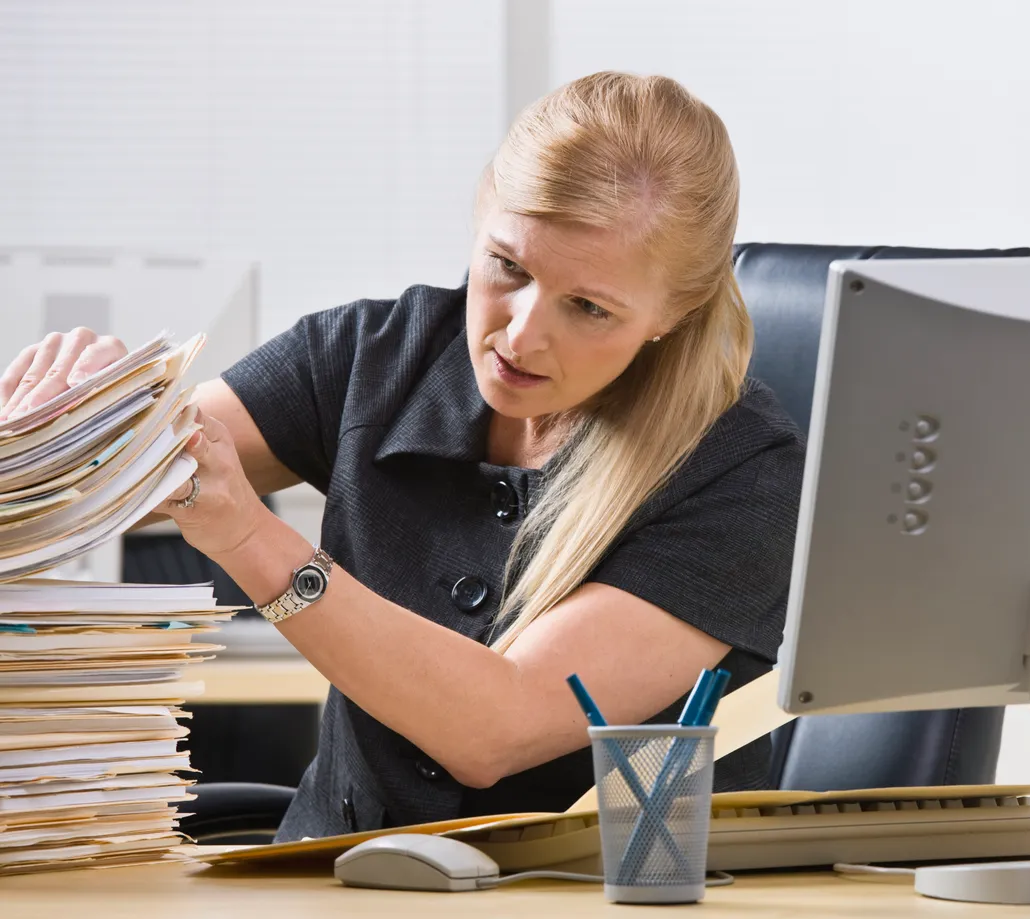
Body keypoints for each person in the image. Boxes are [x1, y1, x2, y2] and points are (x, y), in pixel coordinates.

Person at [0, 72, 804, 841]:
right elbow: (119, 483)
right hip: (335, 876)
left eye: (587, 306)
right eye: (506, 266)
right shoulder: (369, 354)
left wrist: (248, 536)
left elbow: (494, 726)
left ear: (676, 309)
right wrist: (90, 422)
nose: (519, 334)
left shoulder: (739, 469)